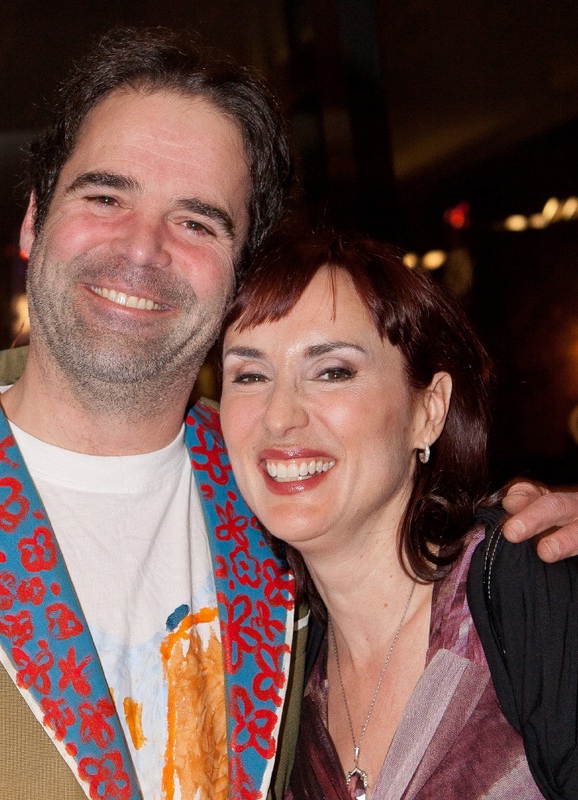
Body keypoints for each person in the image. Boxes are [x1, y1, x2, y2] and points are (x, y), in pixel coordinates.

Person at [0, 26, 575, 800]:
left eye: (196, 220)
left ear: (239, 276)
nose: (142, 248)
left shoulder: (284, 501)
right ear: (33, 219)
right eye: (105, 196)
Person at [219, 228, 577, 800]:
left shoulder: (523, 589)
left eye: (333, 371)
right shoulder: (275, 676)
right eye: (250, 375)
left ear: (428, 411)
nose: (279, 416)